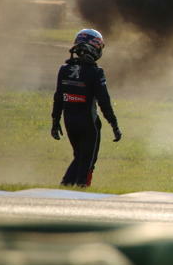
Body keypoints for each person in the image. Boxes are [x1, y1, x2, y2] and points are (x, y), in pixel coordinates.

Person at [50, 29, 122, 187]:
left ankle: (67, 187)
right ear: (95, 47)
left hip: (69, 122)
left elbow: (58, 98)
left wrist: (55, 122)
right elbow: (104, 102)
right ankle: (71, 187)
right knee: (87, 160)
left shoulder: (64, 70)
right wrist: (114, 124)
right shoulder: (96, 72)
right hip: (88, 123)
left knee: (79, 157)